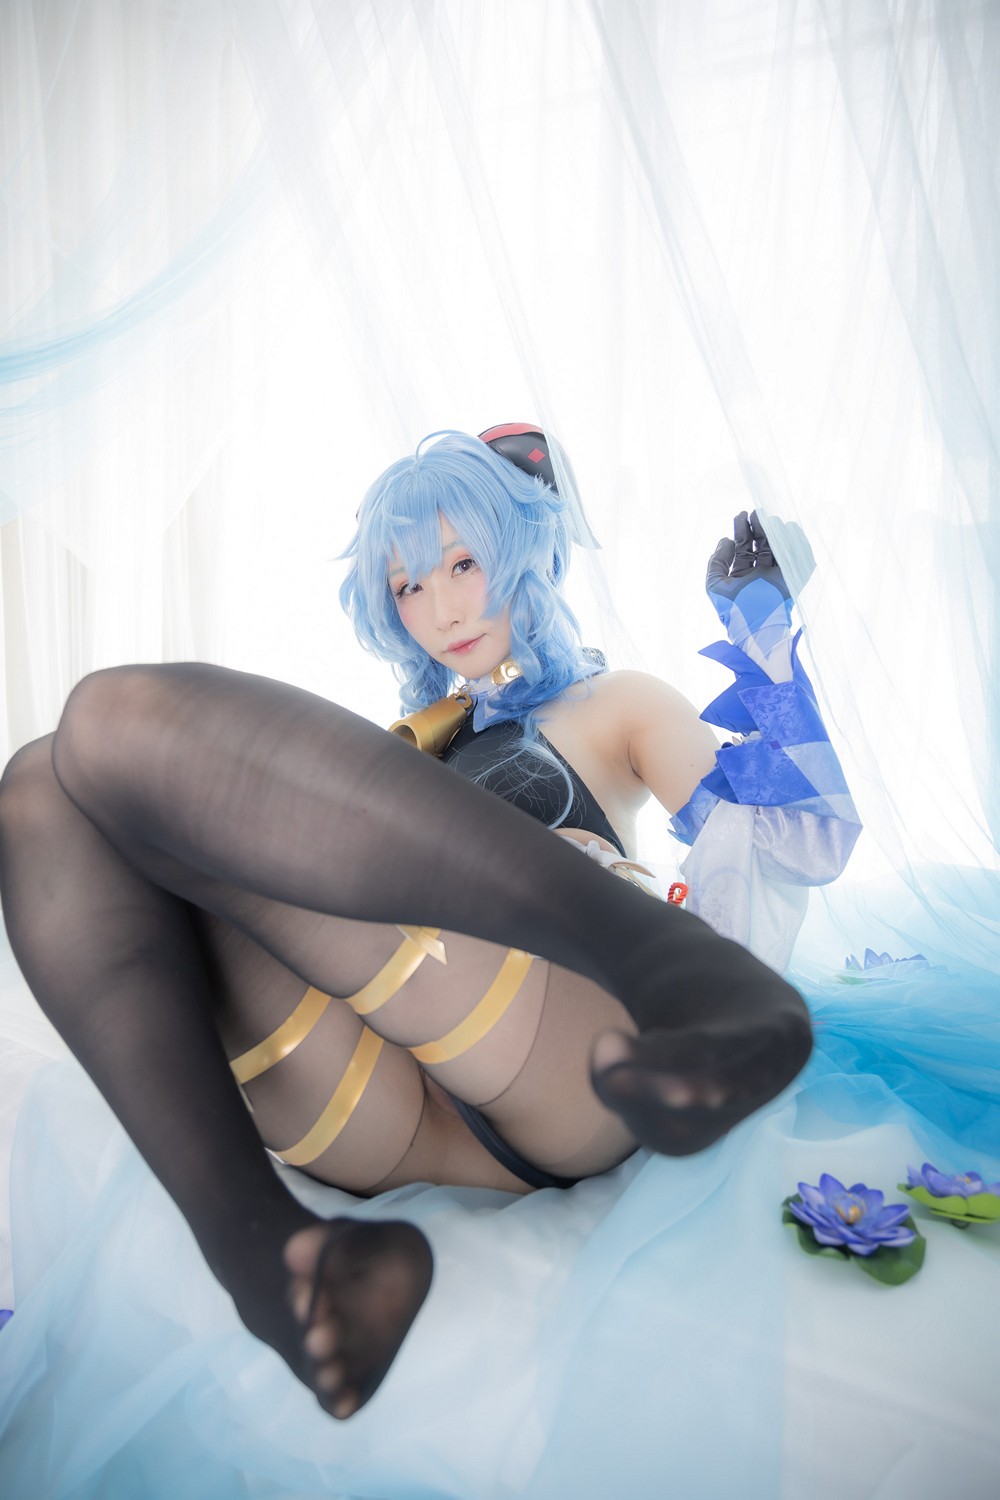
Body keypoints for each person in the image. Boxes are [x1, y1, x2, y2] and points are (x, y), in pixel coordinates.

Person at [0, 427, 857, 1424]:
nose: (440, 608)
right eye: (407, 584)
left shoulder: (613, 703)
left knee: (108, 721)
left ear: (527, 550)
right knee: (39, 789)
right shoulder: (410, 750)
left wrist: (762, 631)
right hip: (395, 1115)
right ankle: (276, 1261)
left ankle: (685, 975)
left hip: (555, 1057)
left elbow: (797, 838)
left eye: (462, 563)